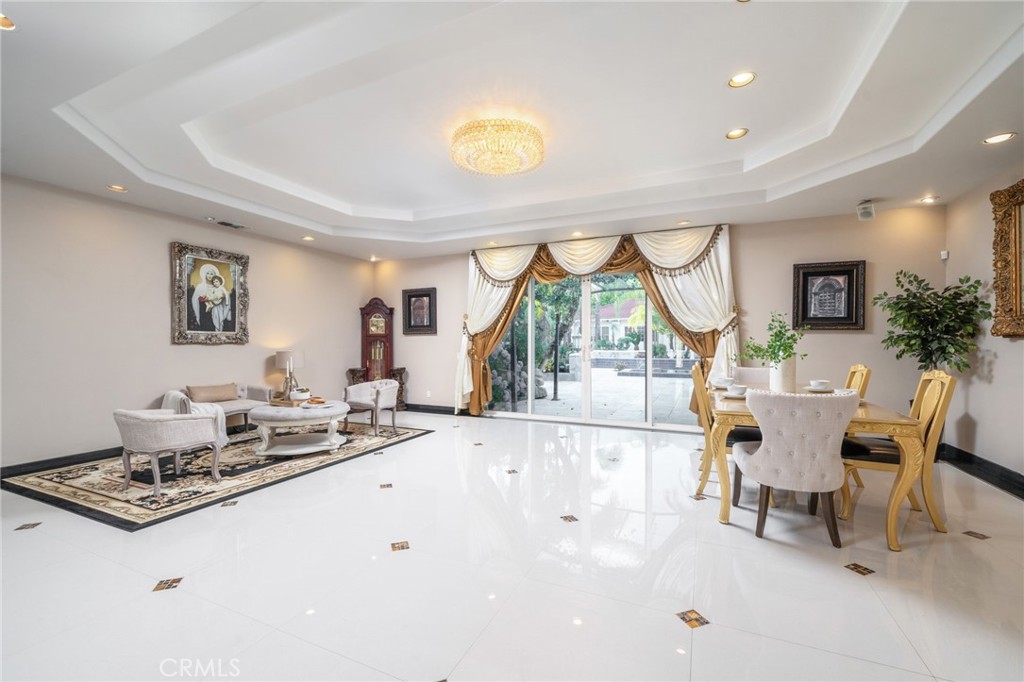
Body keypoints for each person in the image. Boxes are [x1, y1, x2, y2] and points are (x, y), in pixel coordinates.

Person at [190, 263, 232, 332]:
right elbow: (195, 299)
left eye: (211, 273)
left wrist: (222, 297)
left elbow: (224, 296)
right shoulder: (200, 286)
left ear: (214, 275)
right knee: (206, 328)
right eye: (208, 273)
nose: (209, 275)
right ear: (205, 274)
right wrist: (204, 299)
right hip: (203, 311)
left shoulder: (218, 287)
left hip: (216, 311)